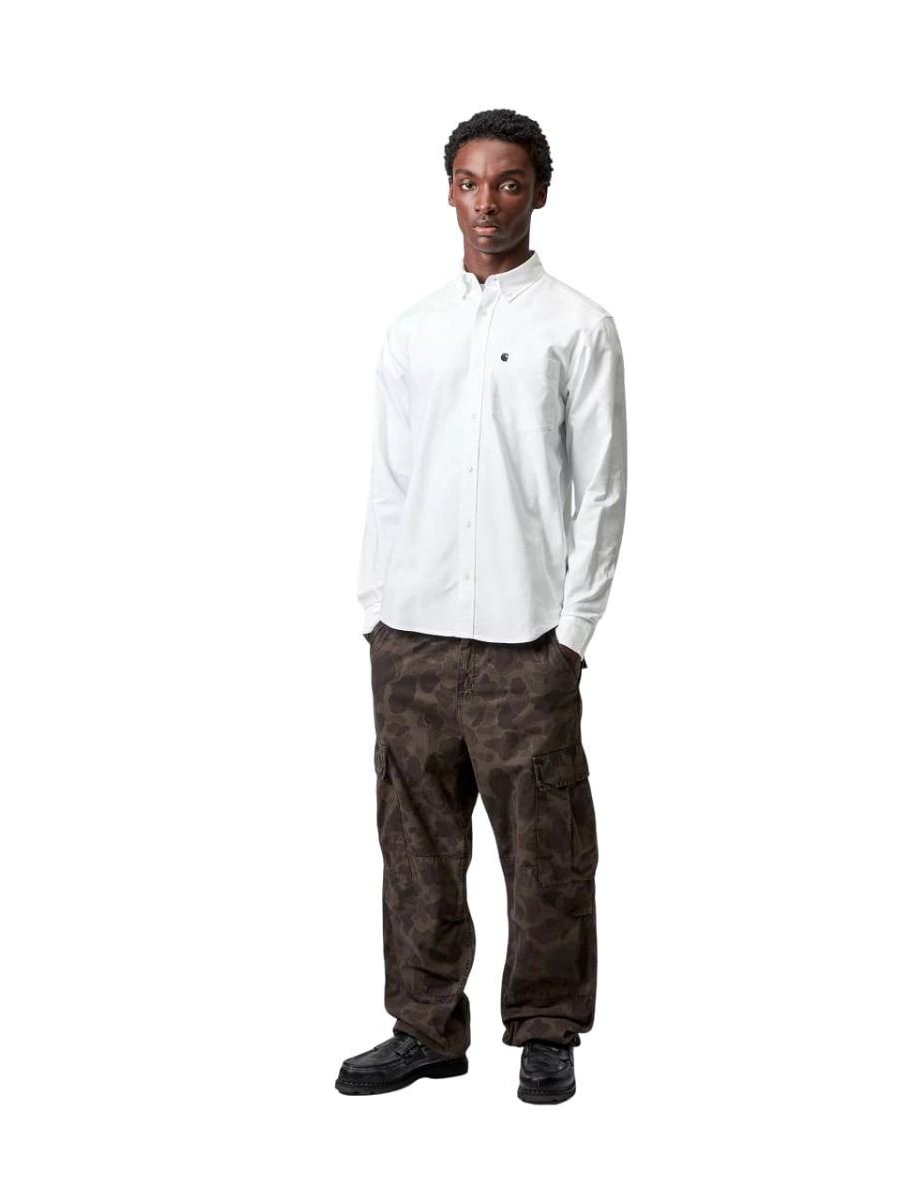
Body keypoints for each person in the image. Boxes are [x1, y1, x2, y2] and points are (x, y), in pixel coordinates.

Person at [336, 108, 627, 1105]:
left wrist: (571, 637)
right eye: (470, 182)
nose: (487, 202)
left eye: (508, 182)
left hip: (524, 643)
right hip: (411, 639)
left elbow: (602, 491)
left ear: (539, 192)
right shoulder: (413, 329)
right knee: (415, 847)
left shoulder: (579, 327)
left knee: (548, 849)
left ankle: (546, 1029)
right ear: (449, 193)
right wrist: (376, 612)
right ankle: (424, 1028)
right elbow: (389, 480)